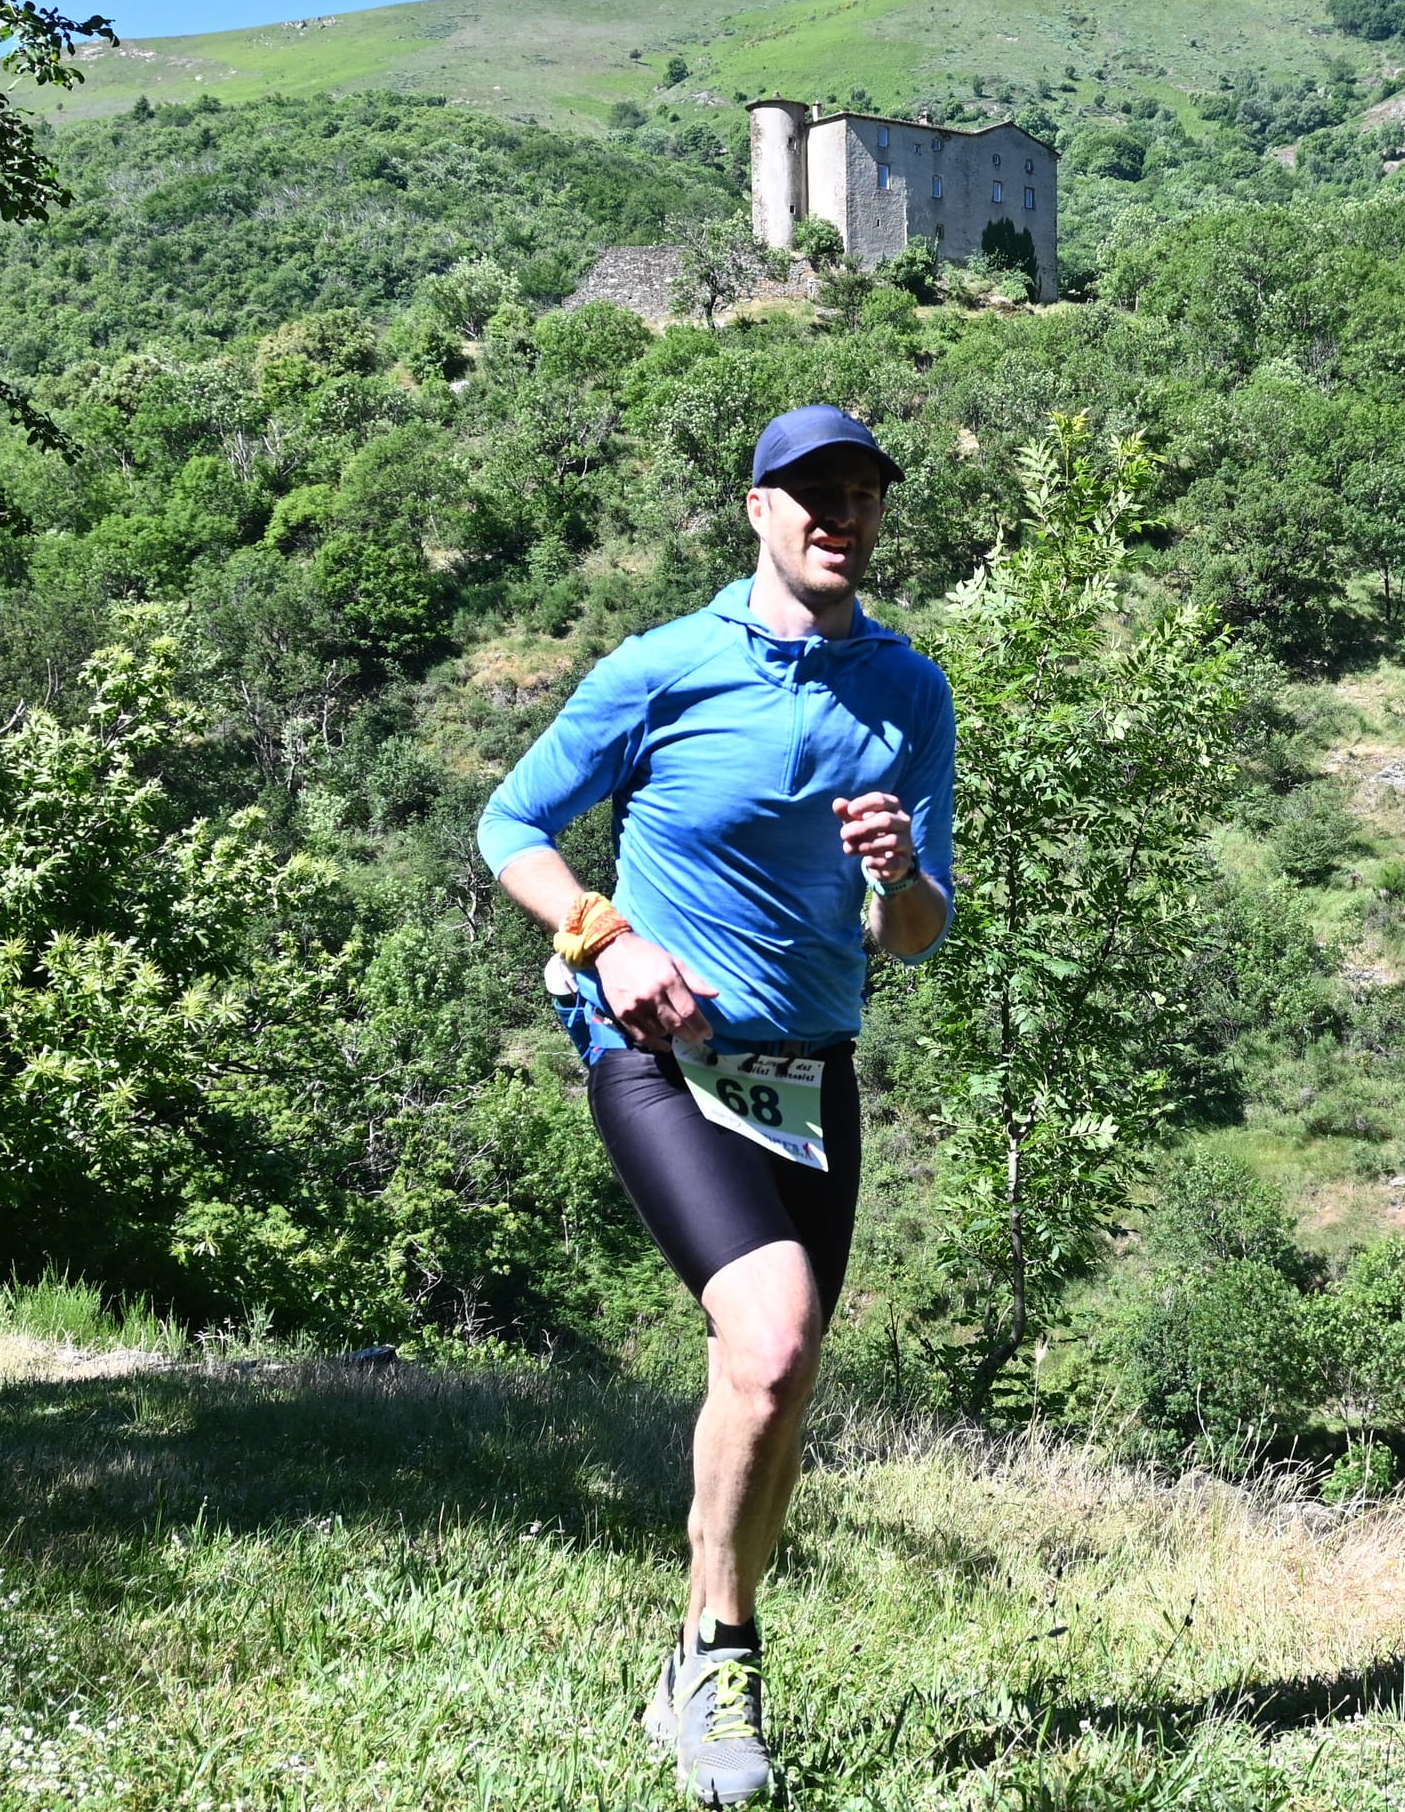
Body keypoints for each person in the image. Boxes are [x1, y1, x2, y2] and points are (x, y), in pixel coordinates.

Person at [475, 404, 955, 1805]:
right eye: (813, 493)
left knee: (775, 1378)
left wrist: (899, 869)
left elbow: (917, 933)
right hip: (660, 1059)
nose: (840, 516)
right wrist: (604, 939)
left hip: (810, 1076)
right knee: (772, 1336)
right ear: (757, 508)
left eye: (862, 495)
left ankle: (697, 1648)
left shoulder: (909, 691)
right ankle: (725, 1662)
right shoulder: (664, 668)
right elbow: (513, 826)